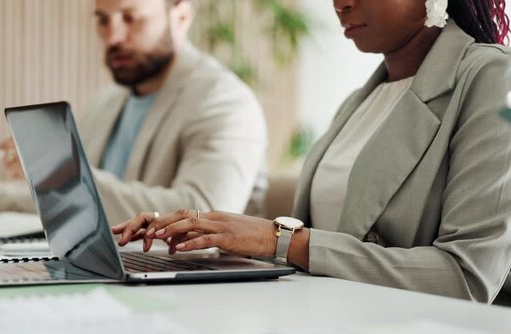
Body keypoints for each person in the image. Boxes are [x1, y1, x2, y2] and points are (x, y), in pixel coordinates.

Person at [115, 0, 511, 305]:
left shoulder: (491, 78)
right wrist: (212, 232)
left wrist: (279, 240)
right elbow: (324, 244)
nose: (340, 2)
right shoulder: (360, 100)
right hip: (321, 317)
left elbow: (466, 277)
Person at [0, 0, 267, 227]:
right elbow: (81, 196)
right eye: (103, 20)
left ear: (180, 16)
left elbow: (204, 218)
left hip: (195, 296)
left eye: (130, 17)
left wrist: (60, 169)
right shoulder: (106, 102)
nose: (113, 37)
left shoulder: (224, 101)